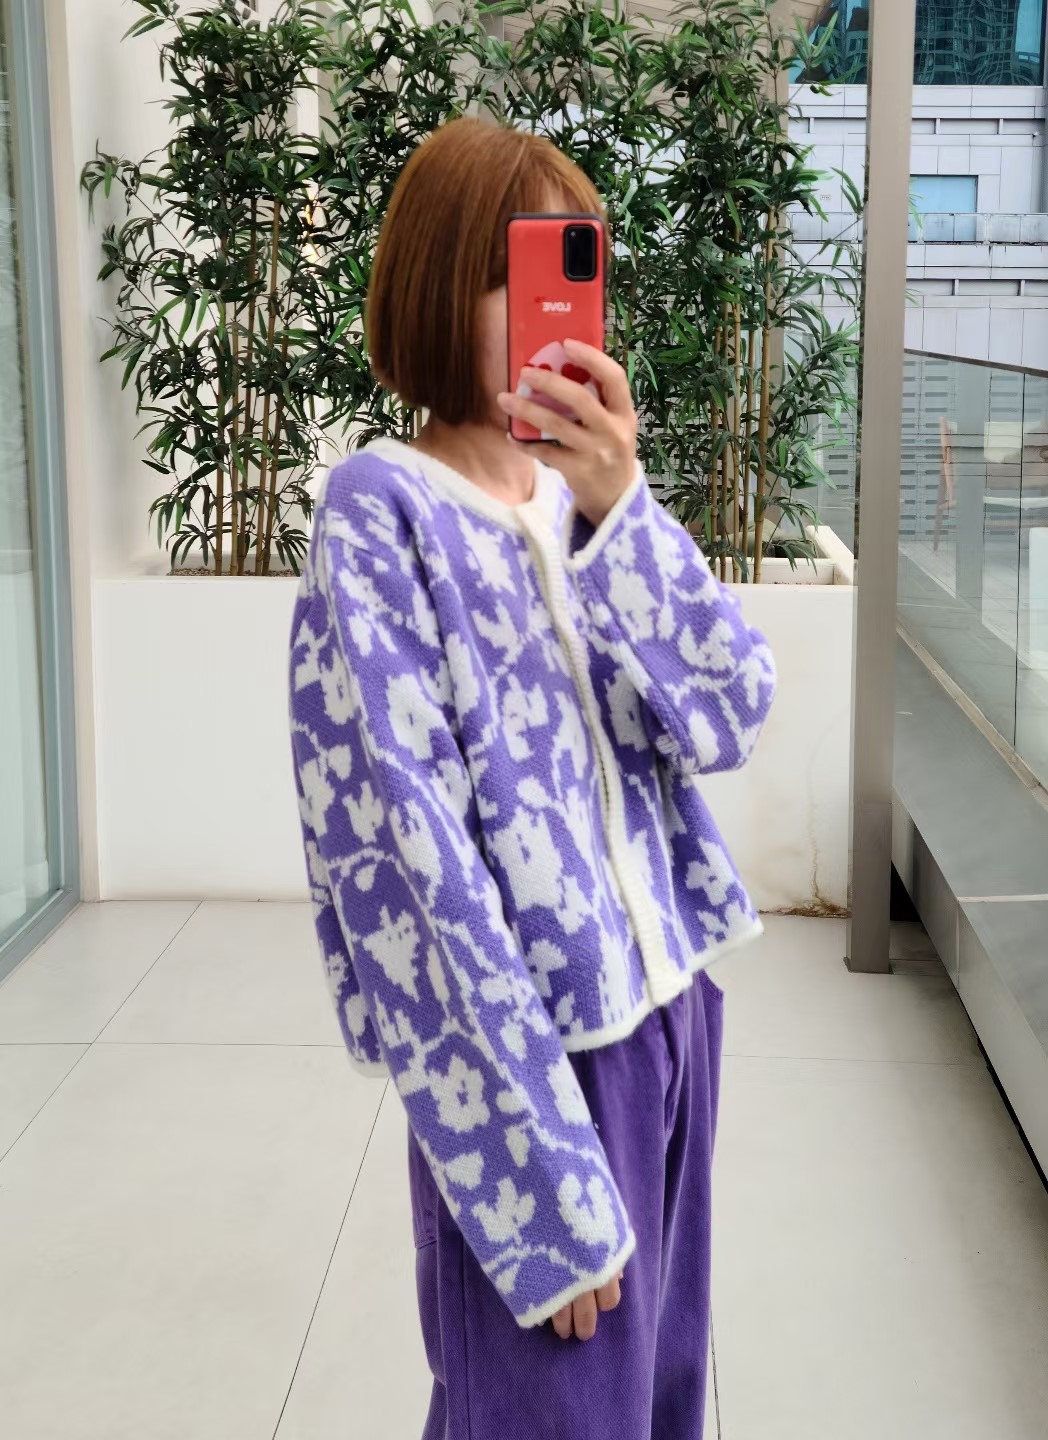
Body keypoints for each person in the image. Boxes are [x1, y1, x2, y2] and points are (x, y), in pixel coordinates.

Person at [286, 116, 776, 1440]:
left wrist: (626, 511)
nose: (559, 306)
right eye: (523, 271)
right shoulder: (379, 516)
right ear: (442, 285)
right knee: (545, 1419)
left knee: (656, 1400)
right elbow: (409, 876)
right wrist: (538, 1180)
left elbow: (733, 711)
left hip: (672, 1017)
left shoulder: (586, 508)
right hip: (539, 1068)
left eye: (577, 264)